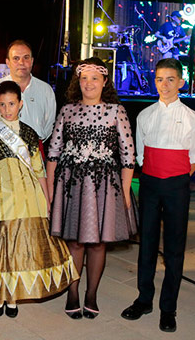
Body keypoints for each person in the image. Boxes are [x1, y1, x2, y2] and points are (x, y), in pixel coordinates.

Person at [0, 80, 76, 317]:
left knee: (19, 245)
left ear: (20, 104)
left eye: (11, 104)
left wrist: (47, 198)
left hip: (25, 194)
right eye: (2, 105)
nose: (7, 109)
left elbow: (39, 169)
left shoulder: (30, 133)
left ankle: (12, 296)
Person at [48, 57, 137, 319]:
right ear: (78, 81)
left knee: (98, 244)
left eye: (94, 78)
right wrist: (52, 188)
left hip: (104, 186)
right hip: (72, 184)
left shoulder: (116, 111)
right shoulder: (67, 110)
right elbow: (53, 151)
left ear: (105, 81)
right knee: (75, 243)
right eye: (84, 78)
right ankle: (72, 292)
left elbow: (128, 155)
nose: (89, 83)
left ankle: (91, 294)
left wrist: (125, 189)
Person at [121, 58, 195, 333]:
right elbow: (142, 156)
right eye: (159, 79)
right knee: (146, 243)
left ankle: (168, 308)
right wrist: (153, 179)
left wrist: (175, 181)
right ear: (153, 81)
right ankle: (144, 299)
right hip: (149, 185)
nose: (164, 84)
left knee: (174, 249)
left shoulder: (193, 118)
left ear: (181, 82)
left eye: (170, 79)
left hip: (176, 187)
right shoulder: (144, 116)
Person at [0, 38, 57, 142]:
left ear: (32, 61)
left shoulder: (46, 91)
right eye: (16, 58)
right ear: (7, 62)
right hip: (0, 154)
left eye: (26, 58)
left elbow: (49, 126)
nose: (21, 62)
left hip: (35, 153)